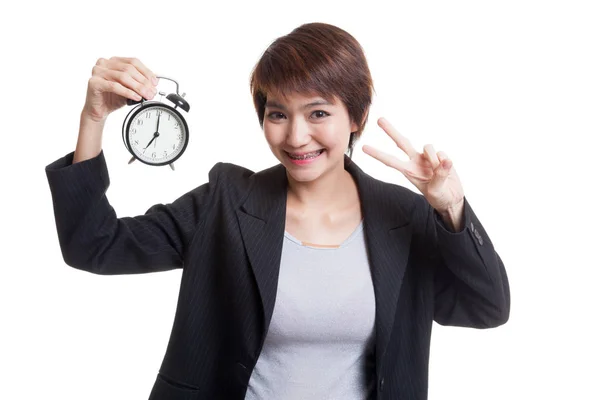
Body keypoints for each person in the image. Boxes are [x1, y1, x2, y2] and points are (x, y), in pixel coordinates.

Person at [45, 22, 510, 400]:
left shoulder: (403, 217)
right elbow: (95, 246)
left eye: (319, 113)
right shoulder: (227, 202)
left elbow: (487, 307)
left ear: (357, 117)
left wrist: (451, 209)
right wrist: (93, 120)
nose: (296, 137)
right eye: (278, 114)